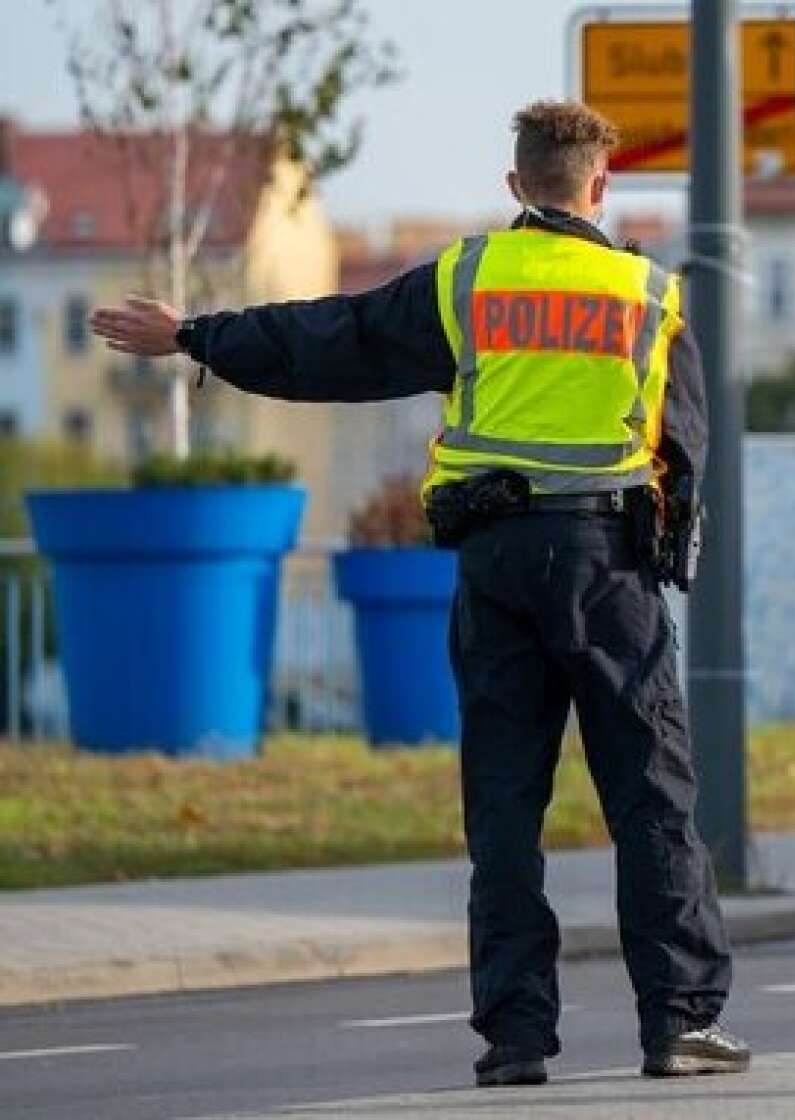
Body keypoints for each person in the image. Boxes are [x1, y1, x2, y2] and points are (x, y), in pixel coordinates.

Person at [89, 100, 748, 1089]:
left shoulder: (468, 277)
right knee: (652, 801)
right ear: (600, 187)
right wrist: (666, 557)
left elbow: (336, 339)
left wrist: (197, 335)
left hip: (494, 567)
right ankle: (679, 1024)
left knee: (503, 813)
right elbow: (686, 447)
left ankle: (516, 1039)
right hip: (608, 569)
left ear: (517, 184)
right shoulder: (648, 295)